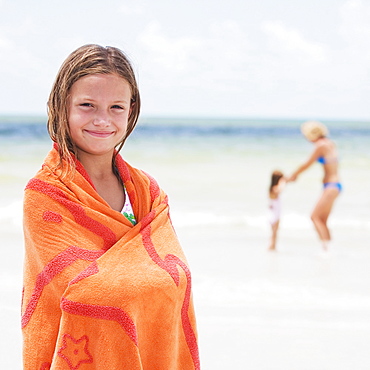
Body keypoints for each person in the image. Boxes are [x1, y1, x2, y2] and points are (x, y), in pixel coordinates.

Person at [21, 44, 200, 370]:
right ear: (62, 107)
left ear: (131, 110)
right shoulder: (46, 194)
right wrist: (145, 282)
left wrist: (140, 284)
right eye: (87, 105)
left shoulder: (148, 192)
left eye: (116, 107)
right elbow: (85, 295)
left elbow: (176, 278)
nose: (102, 120)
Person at [288, 120, 341, 251]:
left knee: (314, 217)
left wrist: (293, 175)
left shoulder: (321, 145)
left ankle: (326, 249)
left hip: (331, 185)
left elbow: (307, 163)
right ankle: (330, 248)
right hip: (335, 185)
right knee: (322, 220)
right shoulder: (330, 144)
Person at [268, 170, 286, 251]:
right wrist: (283, 181)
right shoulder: (274, 188)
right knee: (275, 231)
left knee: (274, 231)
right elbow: (280, 189)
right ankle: (272, 246)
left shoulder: (271, 188)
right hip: (275, 213)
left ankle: (273, 246)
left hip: (272, 212)